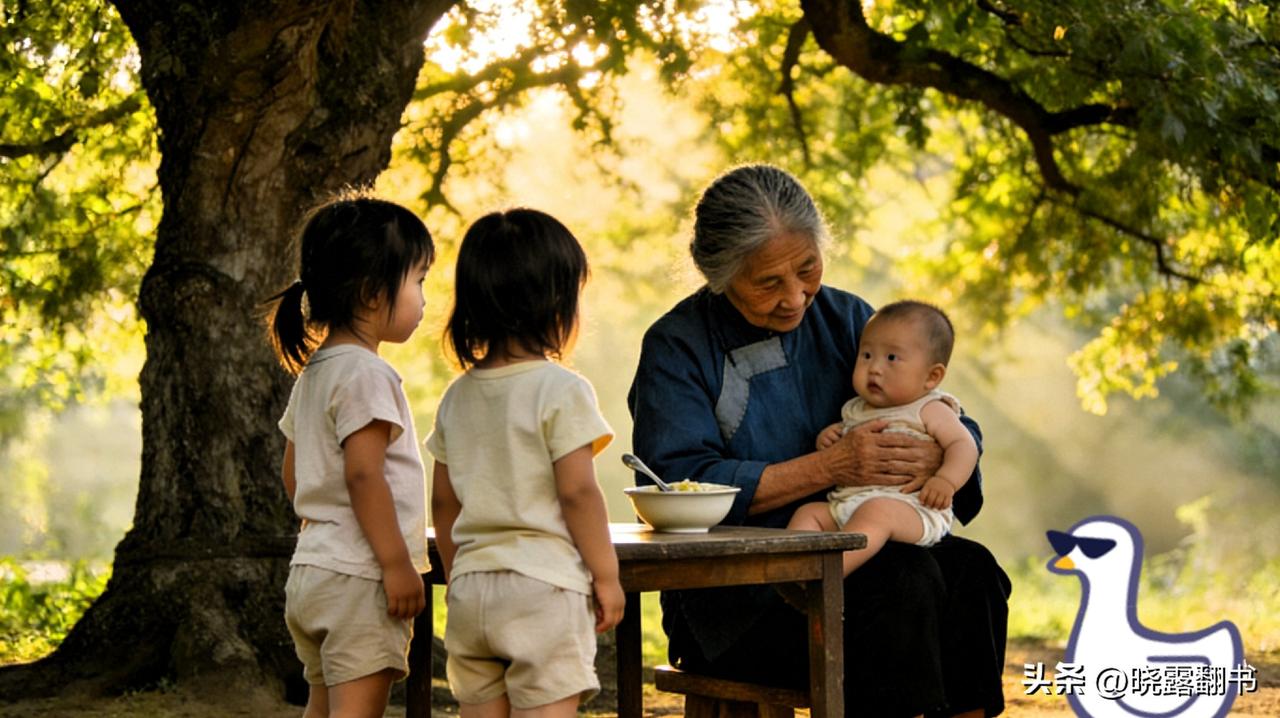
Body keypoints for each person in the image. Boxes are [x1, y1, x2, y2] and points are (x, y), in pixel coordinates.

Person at [628, 164, 1010, 717]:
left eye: (808, 269)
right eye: (768, 283)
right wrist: (830, 466)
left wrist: (936, 453)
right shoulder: (678, 346)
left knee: (973, 572)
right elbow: (674, 483)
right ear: (718, 275)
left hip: (860, 557)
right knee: (904, 582)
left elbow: (938, 405)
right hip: (743, 603)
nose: (796, 296)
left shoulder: (846, 316)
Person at [426, 208, 625, 718]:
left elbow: (444, 501)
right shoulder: (562, 389)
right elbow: (578, 492)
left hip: (471, 589)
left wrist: (457, 573)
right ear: (555, 304)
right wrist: (606, 575)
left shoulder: (458, 396)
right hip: (543, 586)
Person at [266, 193, 435, 718]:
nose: (424, 299)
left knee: (322, 707)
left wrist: (324, 535)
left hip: (313, 572)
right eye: (418, 281)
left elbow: (293, 475)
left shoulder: (317, 371)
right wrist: (396, 565)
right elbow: (365, 476)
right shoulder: (368, 374)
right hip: (361, 579)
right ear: (369, 294)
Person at [788, 300, 979, 576]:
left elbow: (964, 445)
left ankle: (825, 579)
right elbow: (845, 440)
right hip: (848, 506)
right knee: (808, 513)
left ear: (931, 376)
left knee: (878, 512)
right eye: (866, 355)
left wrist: (945, 480)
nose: (875, 368)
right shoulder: (855, 408)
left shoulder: (930, 408)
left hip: (910, 509)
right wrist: (829, 439)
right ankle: (796, 574)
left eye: (891, 358)